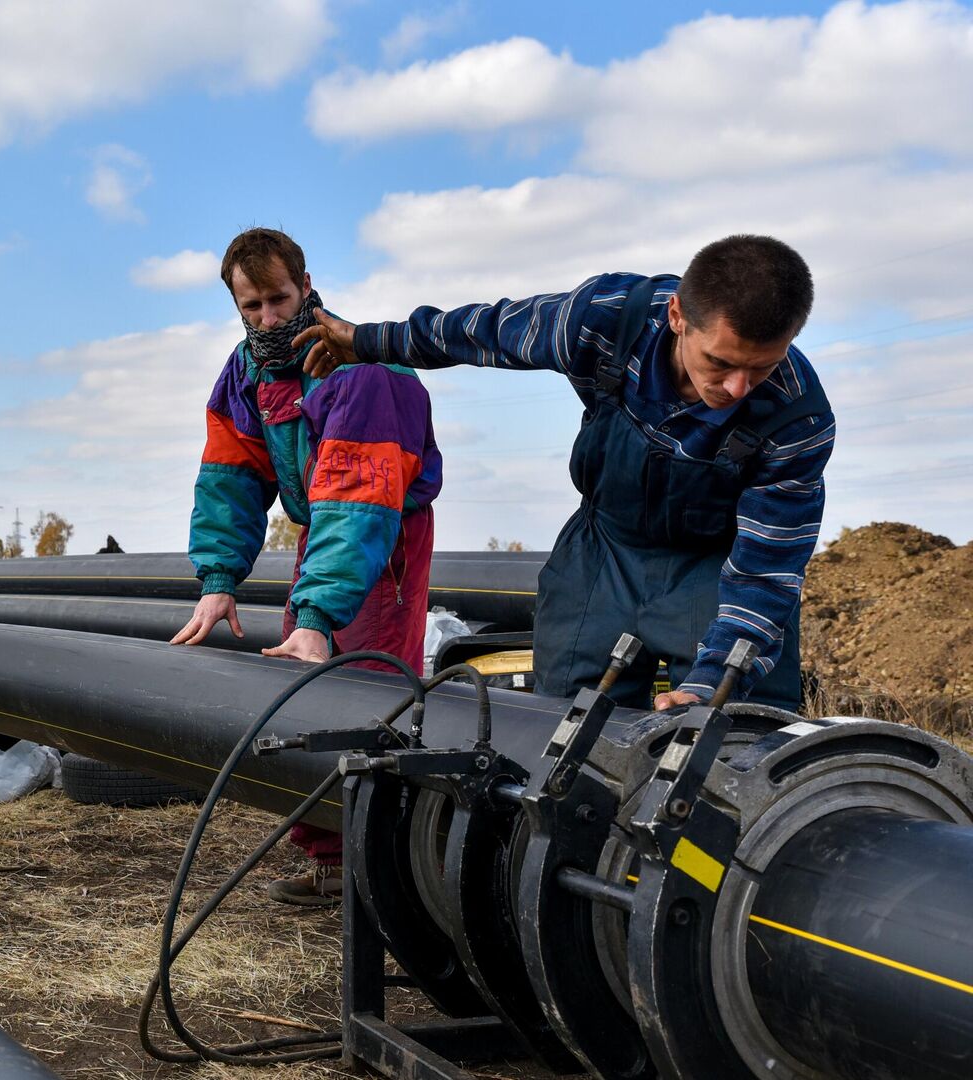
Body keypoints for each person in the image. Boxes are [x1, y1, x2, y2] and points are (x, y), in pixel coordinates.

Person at [291, 235, 833, 712]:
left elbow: (767, 570)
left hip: (713, 565)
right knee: (568, 727)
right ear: (677, 317)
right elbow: (484, 333)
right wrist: (367, 343)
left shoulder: (796, 417)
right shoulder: (607, 319)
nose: (738, 388)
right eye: (720, 362)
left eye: (759, 368)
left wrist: (714, 680)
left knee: (730, 729)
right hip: (605, 549)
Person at [174, 228, 442, 907]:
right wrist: (217, 581)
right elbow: (228, 478)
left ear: (306, 285)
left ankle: (385, 872)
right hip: (322, 527)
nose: (268, 317)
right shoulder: (247, 372)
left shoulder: (357, 368)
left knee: (368, 687)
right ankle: (329, 862)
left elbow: (359, 500)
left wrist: (321, 614)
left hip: (383, 533)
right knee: (302, 683)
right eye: (251, 305)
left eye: (279, 299)